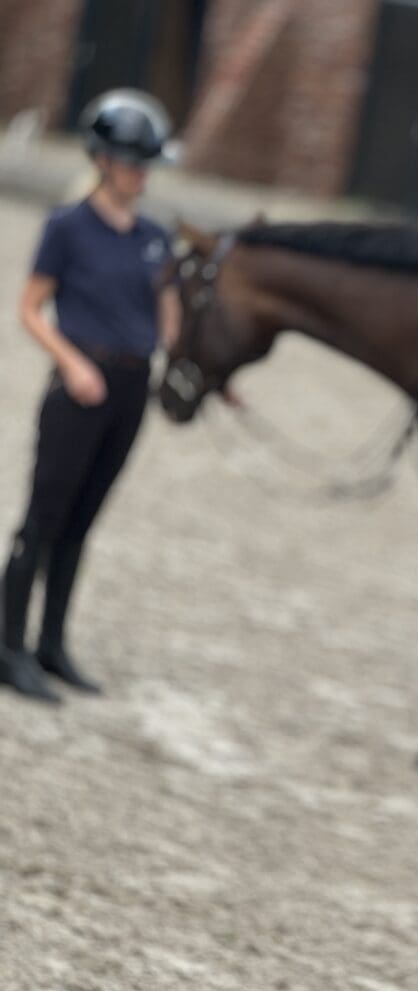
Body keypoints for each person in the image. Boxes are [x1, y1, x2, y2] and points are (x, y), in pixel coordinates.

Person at [0, 89, 180, 703]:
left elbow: (167, 319)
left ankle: (53, 643)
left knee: (83, 522)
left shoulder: (154, 238)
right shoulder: (68, 226)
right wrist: (73, 363)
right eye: (134, 162)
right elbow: (30, 309)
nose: (142, 174)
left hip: (131, 385)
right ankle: (8, 645)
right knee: (42, 519)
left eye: (148, 164)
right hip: (81, 384)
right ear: (104, 160)